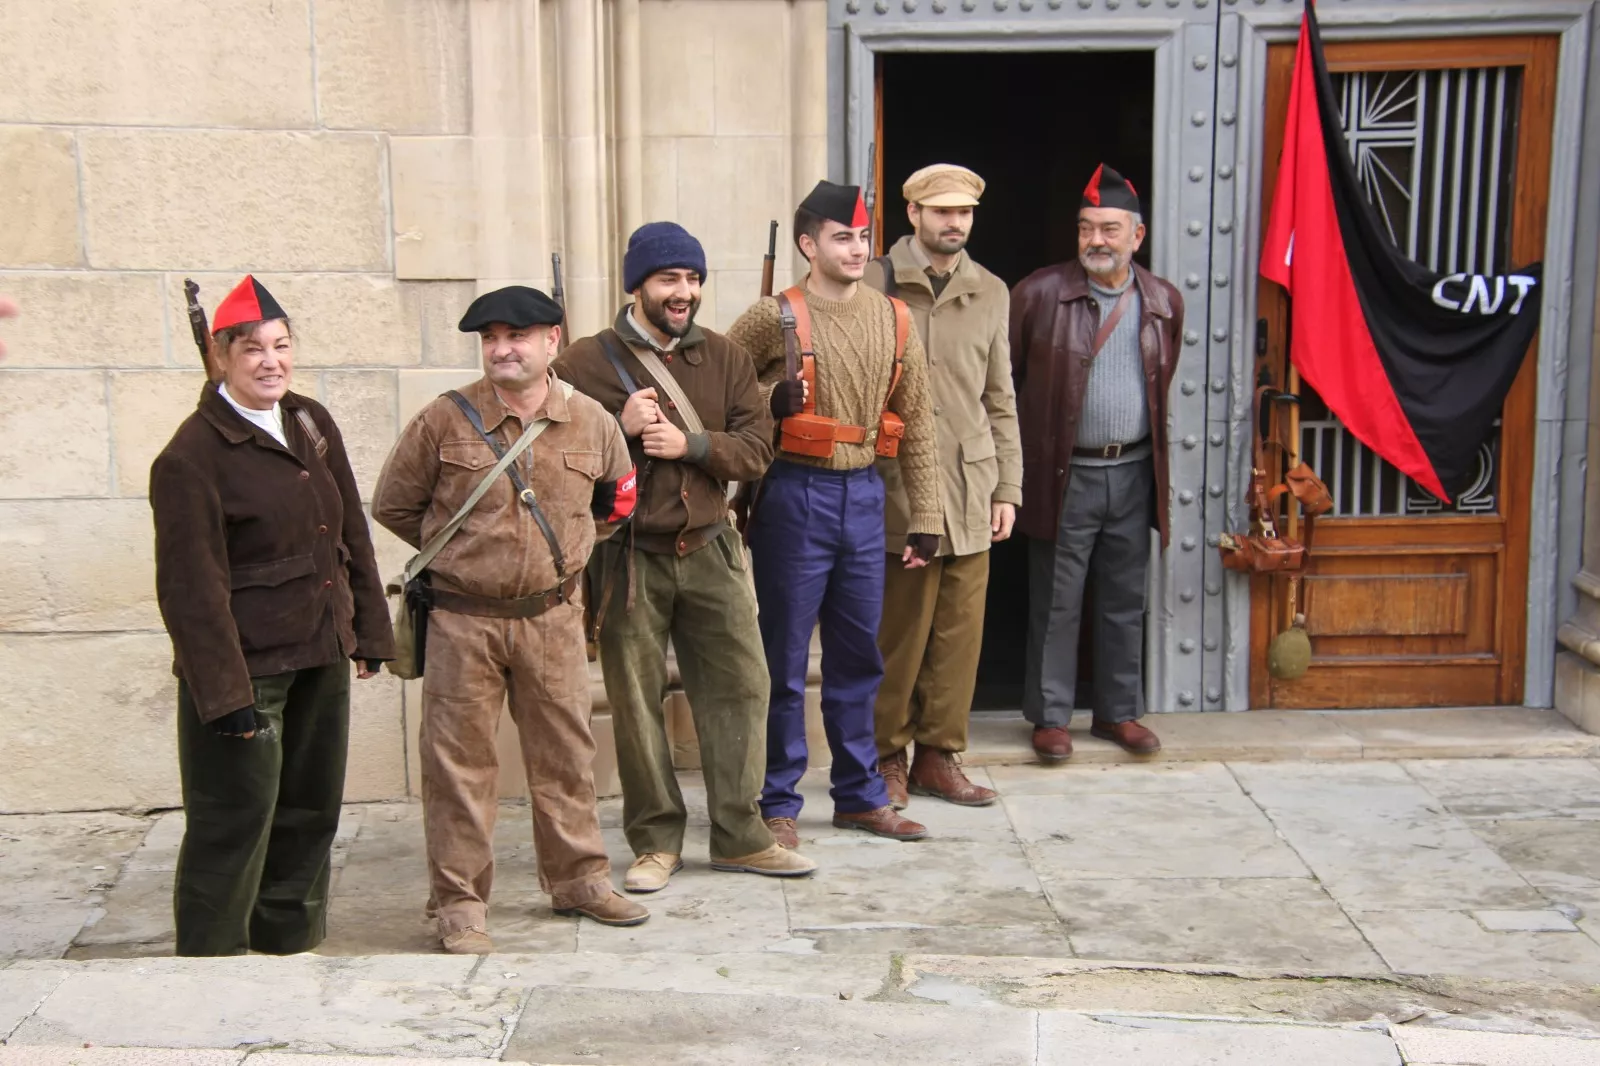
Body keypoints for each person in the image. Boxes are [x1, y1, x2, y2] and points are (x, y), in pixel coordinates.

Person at [373, 285, 648, 953]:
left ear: (552, 341)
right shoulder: (444, 420)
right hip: (462, 620)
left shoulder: (594, 423)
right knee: (459, 768)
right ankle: (459, 906)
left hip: (553, 618)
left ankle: (579, 880)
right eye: (491, 337)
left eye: (517, 335)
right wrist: (472, 558)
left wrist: (559, 560)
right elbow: (394, 504)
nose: (502, 348)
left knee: (566, 757)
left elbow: (615, 504)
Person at [555, 222, 817, 890]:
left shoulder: (726, 357)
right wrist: (622, 430)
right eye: (670, 279)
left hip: (710, 547)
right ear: (637, 285)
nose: (684, 292)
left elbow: (758, 448)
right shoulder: (584, 363)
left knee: (743, 685)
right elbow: (553, 456)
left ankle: (739, 833)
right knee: (636, 701)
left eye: (693, 279)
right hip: (628, 557)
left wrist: (693, 447)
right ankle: (655, 841)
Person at [149, 275, 393, 956]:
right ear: (220, 357)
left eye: (281, 346)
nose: (270, 362)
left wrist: (369, 630)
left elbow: (351, 534)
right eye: (251, 349)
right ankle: (211, 957)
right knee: (234, 817)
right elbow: (190, 592)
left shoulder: (310, 422)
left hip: (319, 649)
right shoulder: (190, 457)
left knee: (310, 809)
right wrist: (222, 695)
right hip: (247, 669)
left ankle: (287, 942)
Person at [727, 180, 939, 847]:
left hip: (866, 495)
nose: (856, 248)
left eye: (862, 236)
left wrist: (928, 512)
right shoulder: (773, 316)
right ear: (807, 244)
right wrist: (771, 400)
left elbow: (922, 418)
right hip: (793, 493)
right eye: (841, 237)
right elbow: (719, 397)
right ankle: (779, 800)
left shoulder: (895, 317)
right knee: (785, 658)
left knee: (858, 658)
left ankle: (858, 794)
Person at [1010, 164, 1183, 760]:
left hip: (1133, 470)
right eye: (1086, 229)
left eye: (1110, 229)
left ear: (1137, 236)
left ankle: (1118, 713)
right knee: (1056, 598)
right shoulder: (1037, 294)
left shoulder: (1163, 302)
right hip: (1066, 471)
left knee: (1122, 597)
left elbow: (1160, 381)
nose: (1096, 241)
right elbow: (1006, 382)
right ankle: (1051, 716)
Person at [865, 164, 1020, 808]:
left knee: (960, 632)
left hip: (972, 485)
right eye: (941, 212)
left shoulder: (989, 290)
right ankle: (884, 759)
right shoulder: (871, 283)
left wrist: (1007, 485)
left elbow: (999, 396)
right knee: (899, 632)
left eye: (964, 213)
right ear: (913, 215)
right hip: (898, 484)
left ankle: (939, 755)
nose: (954, 223)